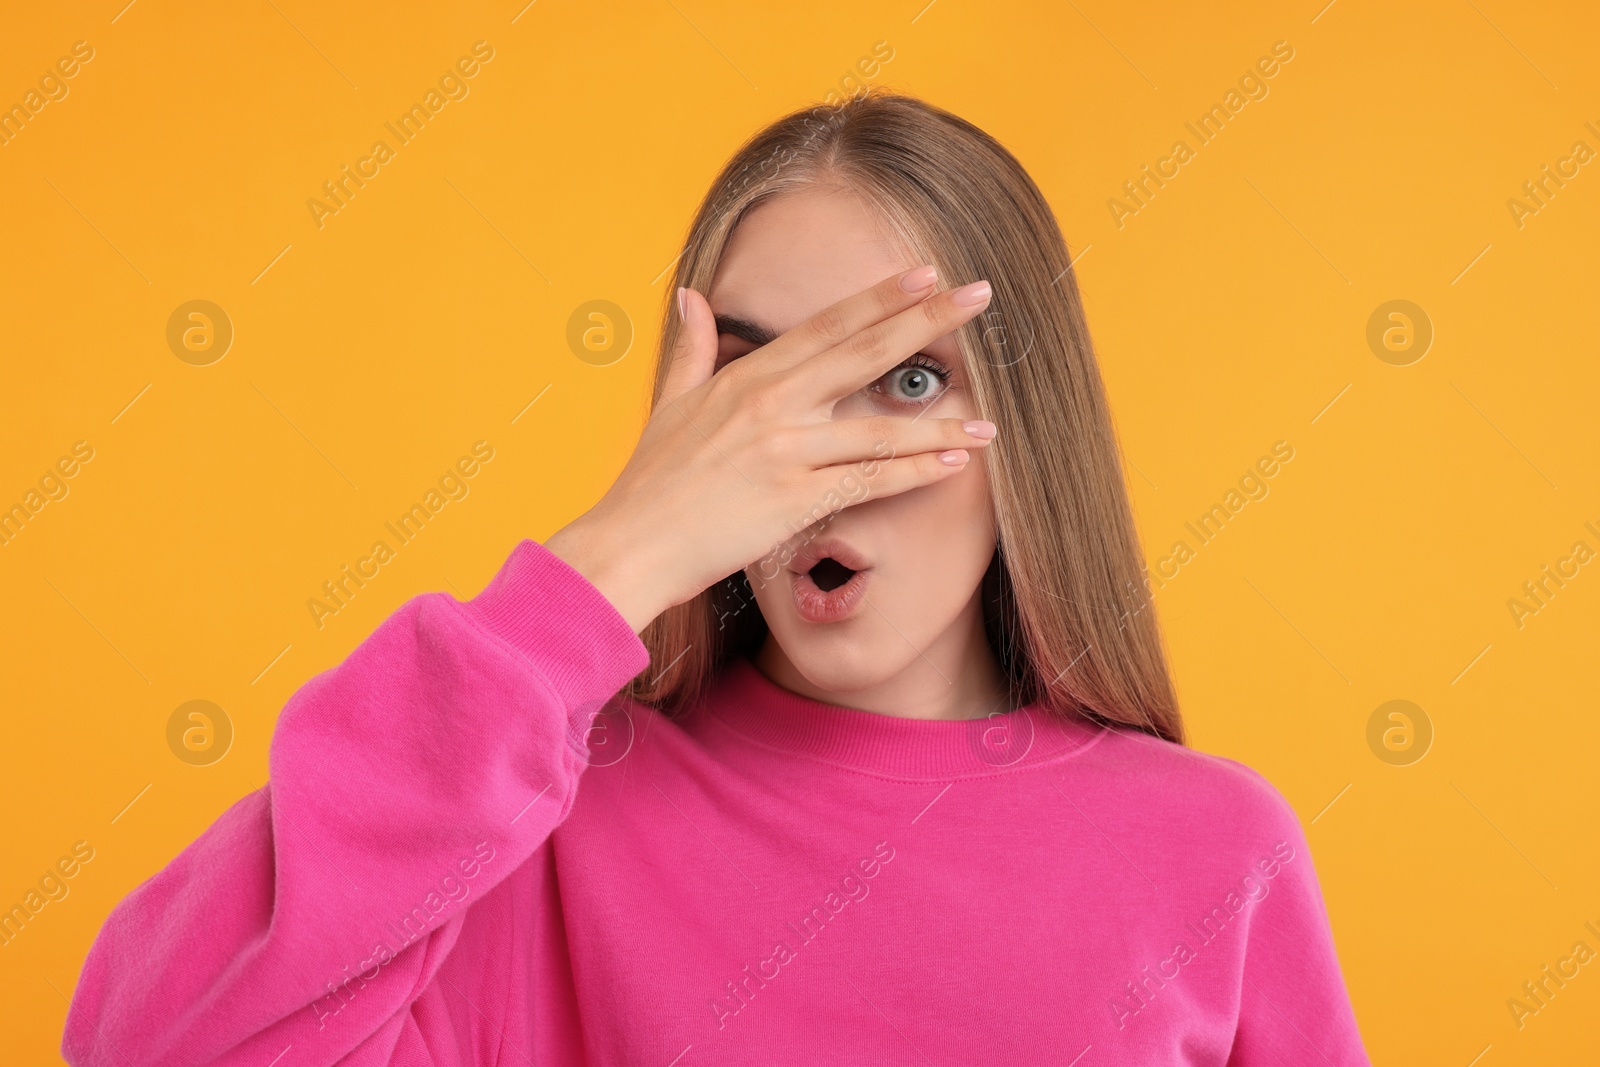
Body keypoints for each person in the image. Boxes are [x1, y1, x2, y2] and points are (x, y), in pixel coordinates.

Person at [63, 88, 1370, 1065]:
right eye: (751, 385)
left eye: (909, 377)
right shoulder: (535, 832)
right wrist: (614, 560)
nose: (814, 464)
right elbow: (152, 1042)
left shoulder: (1215, 854)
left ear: (1023, 429)